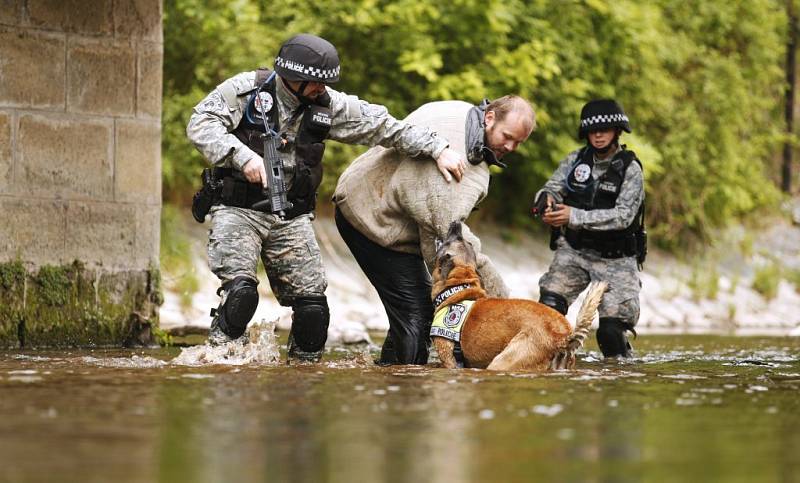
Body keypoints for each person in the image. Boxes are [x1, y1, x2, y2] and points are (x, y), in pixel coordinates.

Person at [186, 33, 467, 362]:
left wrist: (438, 148)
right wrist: (242, 157)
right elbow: (200, 123)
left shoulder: (327, 104)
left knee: (313, 312)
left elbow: (382, 126)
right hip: (239, 209)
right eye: (316, 84)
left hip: (291, 217)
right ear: (295, 78)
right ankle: (218, 362)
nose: (322, 90)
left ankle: (303, 380)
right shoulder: (248, 90)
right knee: (241, 295)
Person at [333, 96, 536, 365]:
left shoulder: (461, 111)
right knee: (419, 315)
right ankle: (406, 389)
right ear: (489, 119)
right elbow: (448, 251)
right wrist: (504, 303)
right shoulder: (455, 171)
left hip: (363, 193)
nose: (511, 146)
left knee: (412, 310)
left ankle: (387, 377)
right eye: (507, 136)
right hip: (370, 222)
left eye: (519, 142)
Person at [531, 99, 645, 358]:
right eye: (593, 130)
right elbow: (552, 188)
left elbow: (624, 217)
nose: (598, 135)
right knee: (547, 311)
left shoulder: (630, 169)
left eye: (605, 129)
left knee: (610, 333)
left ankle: (618, 374)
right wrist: (545, 200)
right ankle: (543, 365)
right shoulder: (575, 160)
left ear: (617, 131)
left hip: (617, 259)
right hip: (574, 252)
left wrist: (573, 216)